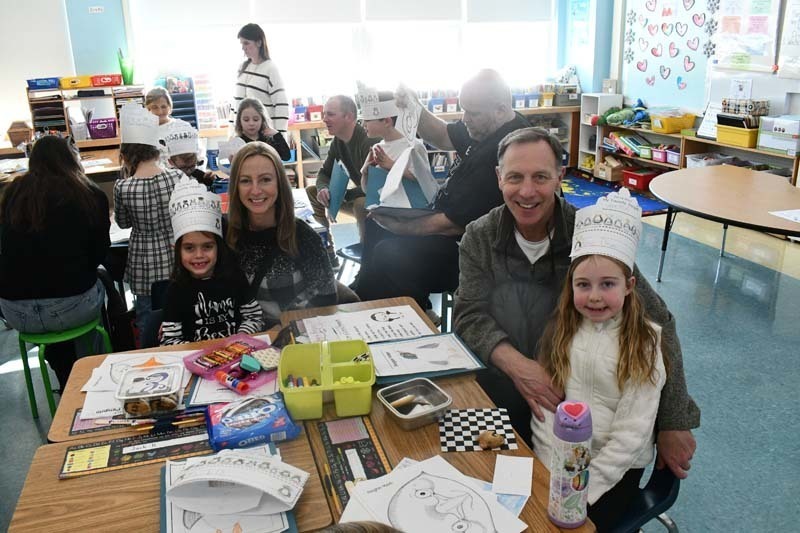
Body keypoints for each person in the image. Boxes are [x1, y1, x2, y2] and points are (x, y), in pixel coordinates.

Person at [454, 127, 700, 481]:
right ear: (498, 178)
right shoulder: (480, 235)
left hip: (586, 395)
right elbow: (469, 314)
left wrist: (674, 420)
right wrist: (521, 368)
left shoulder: (593, 235)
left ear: (560, 176)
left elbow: (659, 322)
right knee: (481, 477)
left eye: (540, 177)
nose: (526, 191)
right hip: (505, 382)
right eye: (515, 178)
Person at [530, 188, 666, 531]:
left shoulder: (644, 343)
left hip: (615, 473)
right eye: (583, 284)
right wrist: (552, 468)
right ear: (571, 286)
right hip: (562, 461)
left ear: (629, 285)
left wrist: (584, 488)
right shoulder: (561, 330)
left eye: (607, 284)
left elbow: (633, 432)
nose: (594, 297)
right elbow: (546, 405)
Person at [354, 69, 531, 314]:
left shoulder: (508, 150)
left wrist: (399, 226)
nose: (465, 118)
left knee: (390, 252)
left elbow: (450, 225)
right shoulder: (485, 126)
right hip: (447, 218)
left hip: (474, 250)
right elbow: (443, 135)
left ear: (500, 110)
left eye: (472, 112)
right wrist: (415, 106)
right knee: (374, 224)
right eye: (463, 109)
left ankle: (415, 312)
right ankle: (365, 296)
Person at [0, 136, 110, 388]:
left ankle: (64, 372)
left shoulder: (14, 192)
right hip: (70, 306)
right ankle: (90, 377)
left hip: (15, 310)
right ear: (72, 158)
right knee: (99, 284)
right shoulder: (88, 192)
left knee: (58, 320)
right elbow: (98, 255)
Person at [226, 142, 337, 327]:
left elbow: (326, 301)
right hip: (240, 343)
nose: (255, 190)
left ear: (279, 182)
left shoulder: (303, 237)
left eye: (265, 179)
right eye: (245, 180)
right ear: (235, 186)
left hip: (293, 339)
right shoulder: (226, 234)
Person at [160, 177, 263, 345]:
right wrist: (198, 354)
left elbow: (254, 317)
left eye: (207, 246)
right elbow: (170, 339)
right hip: (198, 362)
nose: (199, 255)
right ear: (177, 250)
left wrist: (239, 339)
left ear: (218, 248)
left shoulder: (235, 277)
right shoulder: (176, 290)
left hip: (237, 355)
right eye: (189, 248)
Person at [114, 104, 182, 347]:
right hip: (177, 255)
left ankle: (148, 360)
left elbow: (122, 222)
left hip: (143, 262)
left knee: (145, 318)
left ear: (127, 154)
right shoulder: (177, 177)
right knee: (180, 313)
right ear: (156, 148)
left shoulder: (124, 187)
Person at [306, 95, 378, 256]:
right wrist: (324, 189)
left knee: (361, 203)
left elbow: (376, 186)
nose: (324, 119)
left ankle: (367, 256)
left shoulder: (368, 141)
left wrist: (344, 195)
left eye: (330, 114)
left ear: (349, 117)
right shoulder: (337, 142)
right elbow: (324, 173)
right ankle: (326, 249)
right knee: (313, 192)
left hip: (378, 200)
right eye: (324, 114)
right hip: (356, 195)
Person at [358, 90, 437, 204]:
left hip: (413, 212)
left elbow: (425, 182)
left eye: (368, 120)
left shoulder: (414, 146)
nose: (363, 124)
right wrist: (365, 173)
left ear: (386, 121)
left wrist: (392, 166)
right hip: (387, 210)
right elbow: (367, 190)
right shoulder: (377, 148)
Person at [235, 23, 290, 136]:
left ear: (259, 43)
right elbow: (236, 104)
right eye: (241, 43)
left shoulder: (270, 68)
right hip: (244, 134)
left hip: (264, 134)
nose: (243, 48)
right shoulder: (243, 68)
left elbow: (281, 104)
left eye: (246, 43)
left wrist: (279, 136)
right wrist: (233, 132)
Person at [162, 119, 214, 187]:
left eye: (192, 166)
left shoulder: (198, 174)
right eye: (183, 168)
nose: (189, 171)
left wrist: (210, 180)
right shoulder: (167, 180)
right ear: (171, 162)